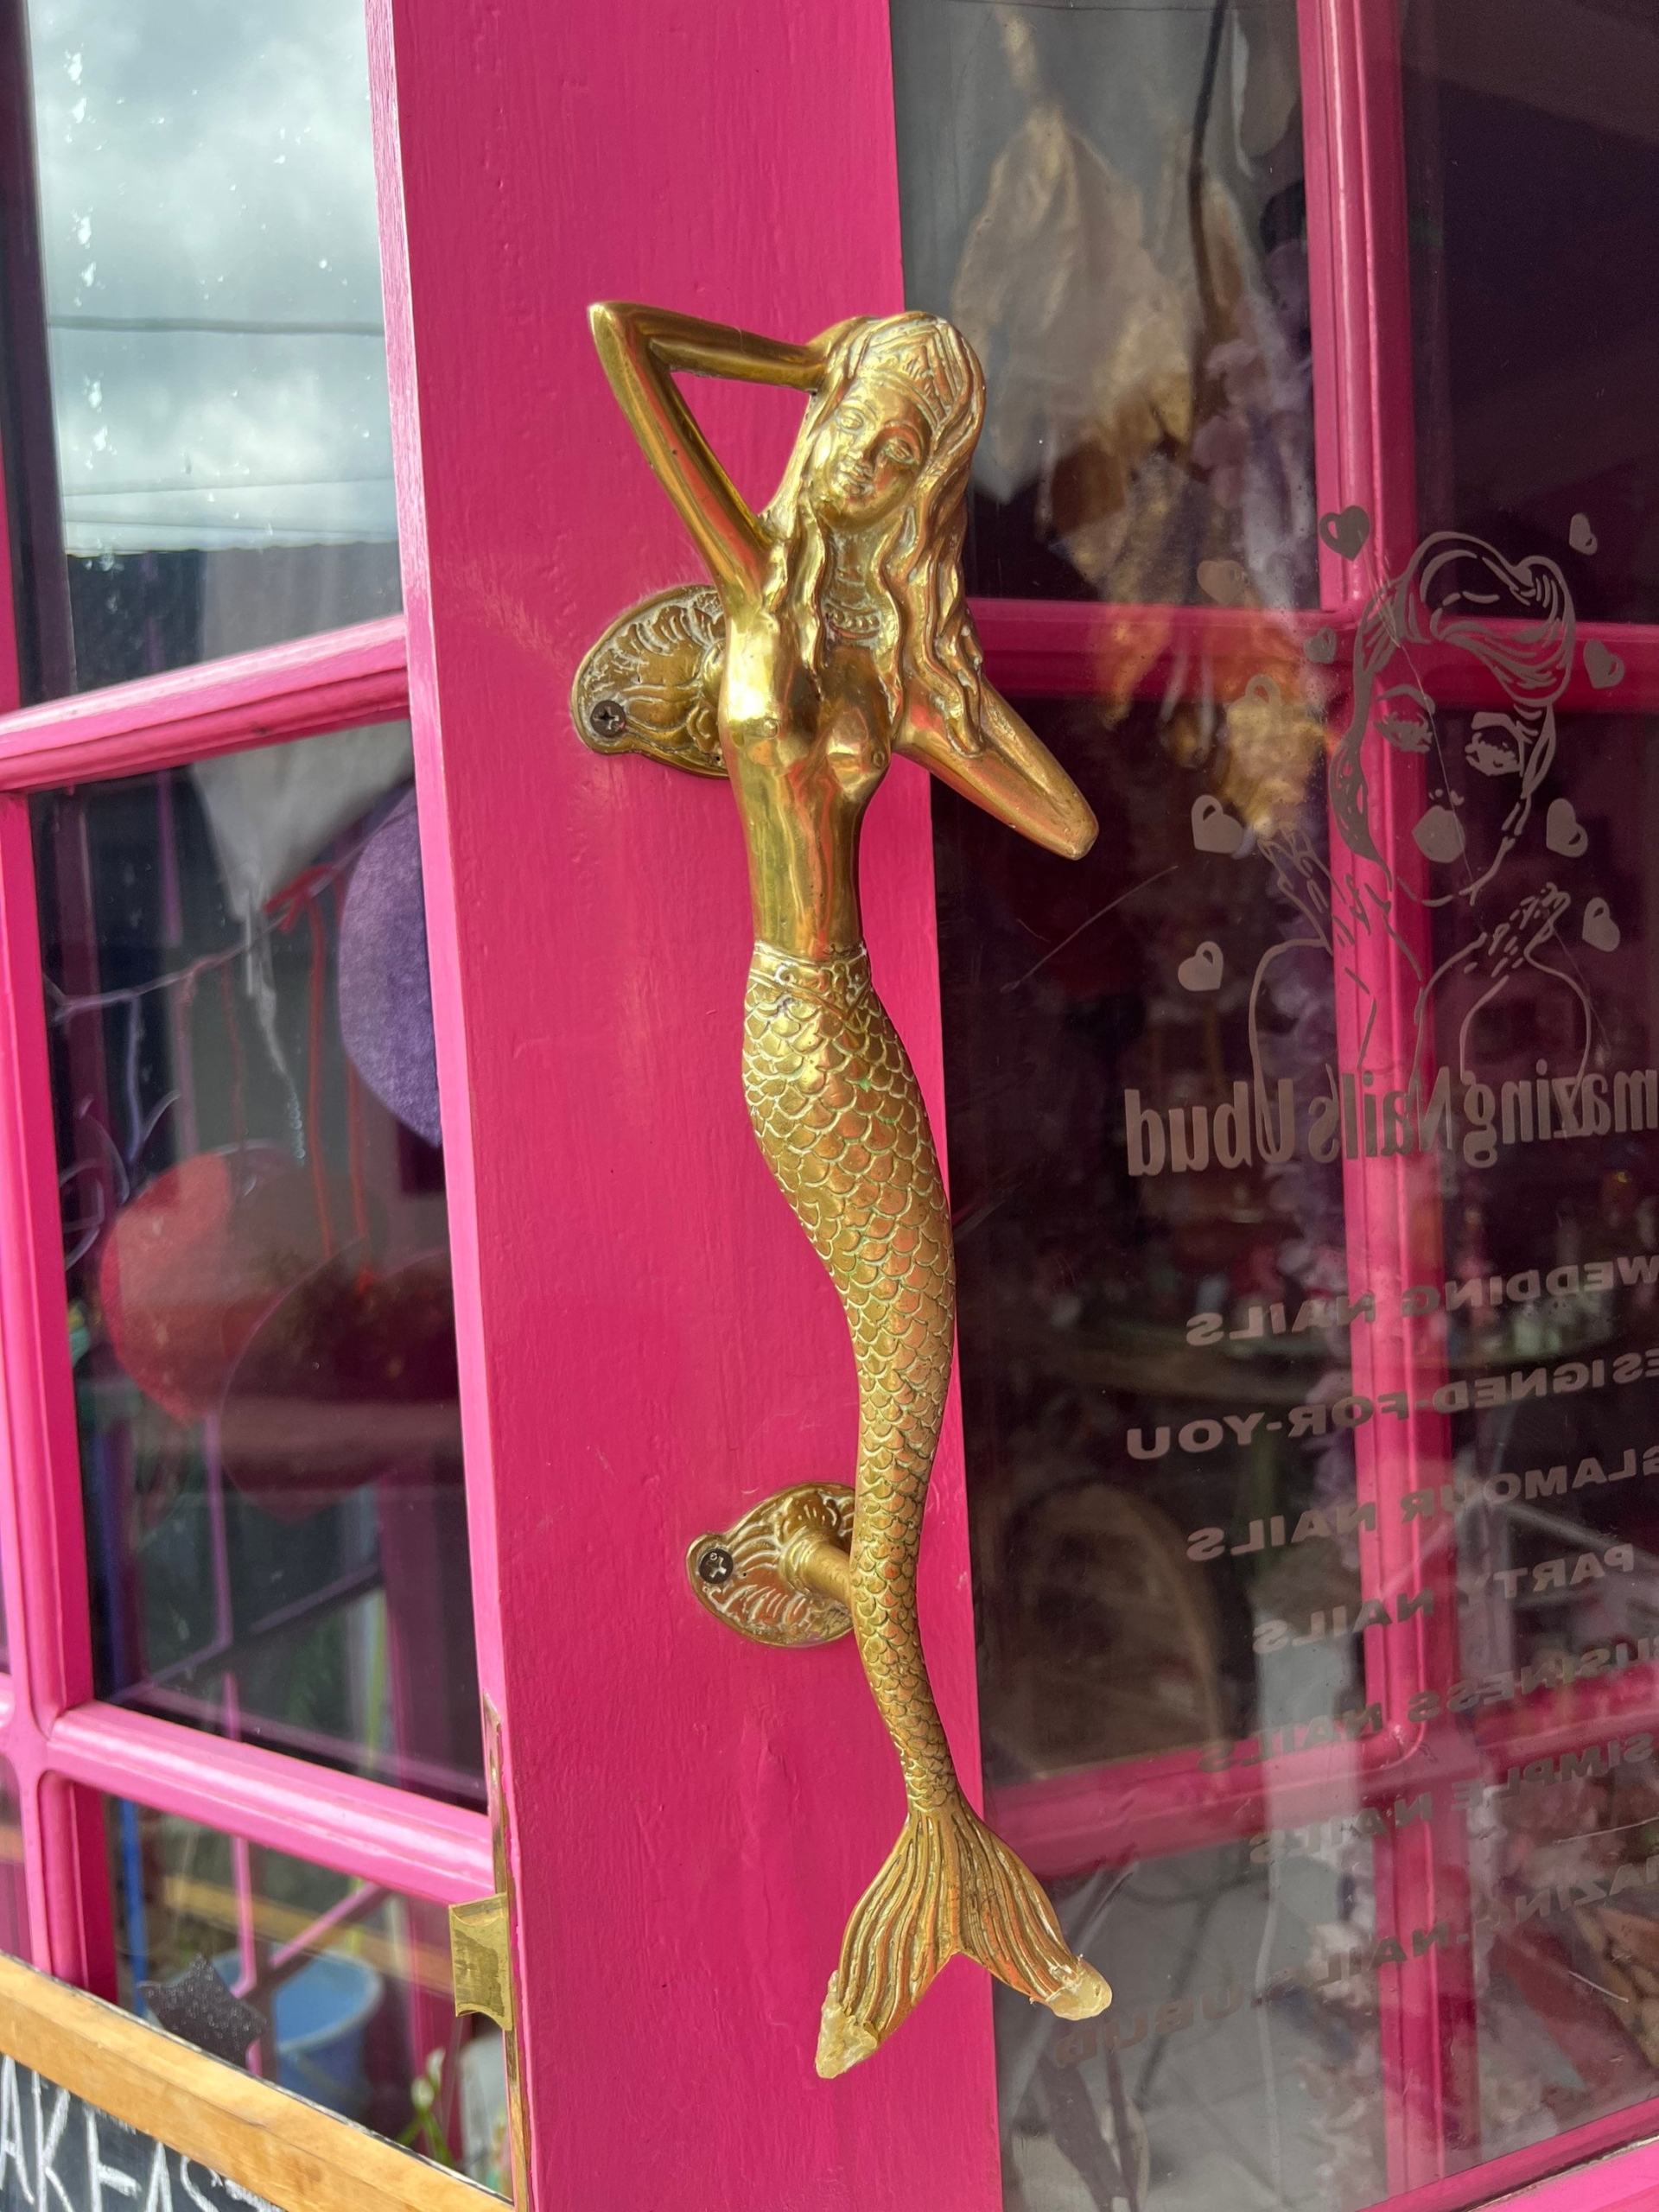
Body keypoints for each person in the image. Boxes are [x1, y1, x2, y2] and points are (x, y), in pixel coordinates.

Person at [585, 302, 1108, 2073]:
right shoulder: (755, 583)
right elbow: (625, 341)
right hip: (800, 1033)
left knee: (910, 1412)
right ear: (824, 416)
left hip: (844, 1033)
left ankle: (934, 1828)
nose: (874, 462)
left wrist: (949, 697)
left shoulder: (885, 657)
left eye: (909, 451)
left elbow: (1068, 827)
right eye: (866, 428)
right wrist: (814, 365)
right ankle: (940, 1846)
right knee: (906, 1411)